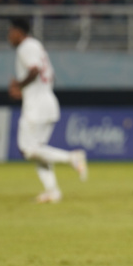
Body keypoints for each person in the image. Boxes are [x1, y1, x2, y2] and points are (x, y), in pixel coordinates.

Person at [8, 18, 88, 203]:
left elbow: (34, 70)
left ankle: (72, 157)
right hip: (46, 101)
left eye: (11, 32)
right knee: (38, 151)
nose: (9, 37)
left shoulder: (26, 47)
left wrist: (19, 85)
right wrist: (26, 90)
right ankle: (52, 192)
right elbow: (47, 75)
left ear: (19, 32)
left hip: (36, 107)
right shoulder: (36, 46)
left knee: (27, 149)